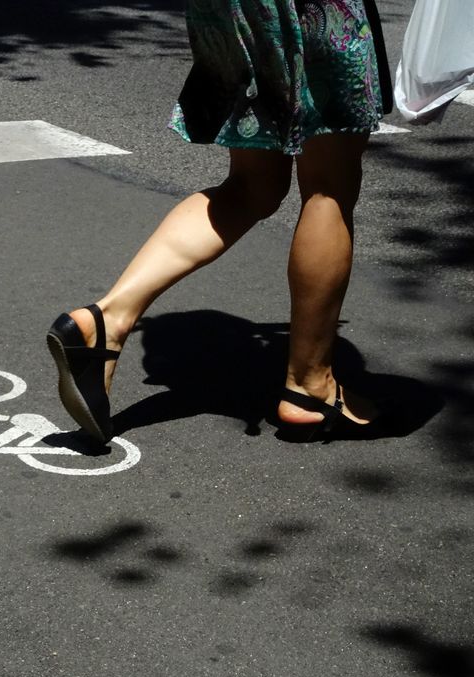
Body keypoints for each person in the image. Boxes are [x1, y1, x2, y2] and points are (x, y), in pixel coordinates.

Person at [47, 0, 390, 443]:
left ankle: (106, 319)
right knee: (328, 187)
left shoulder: (167, 341)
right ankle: (309, 388)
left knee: (251, 186)